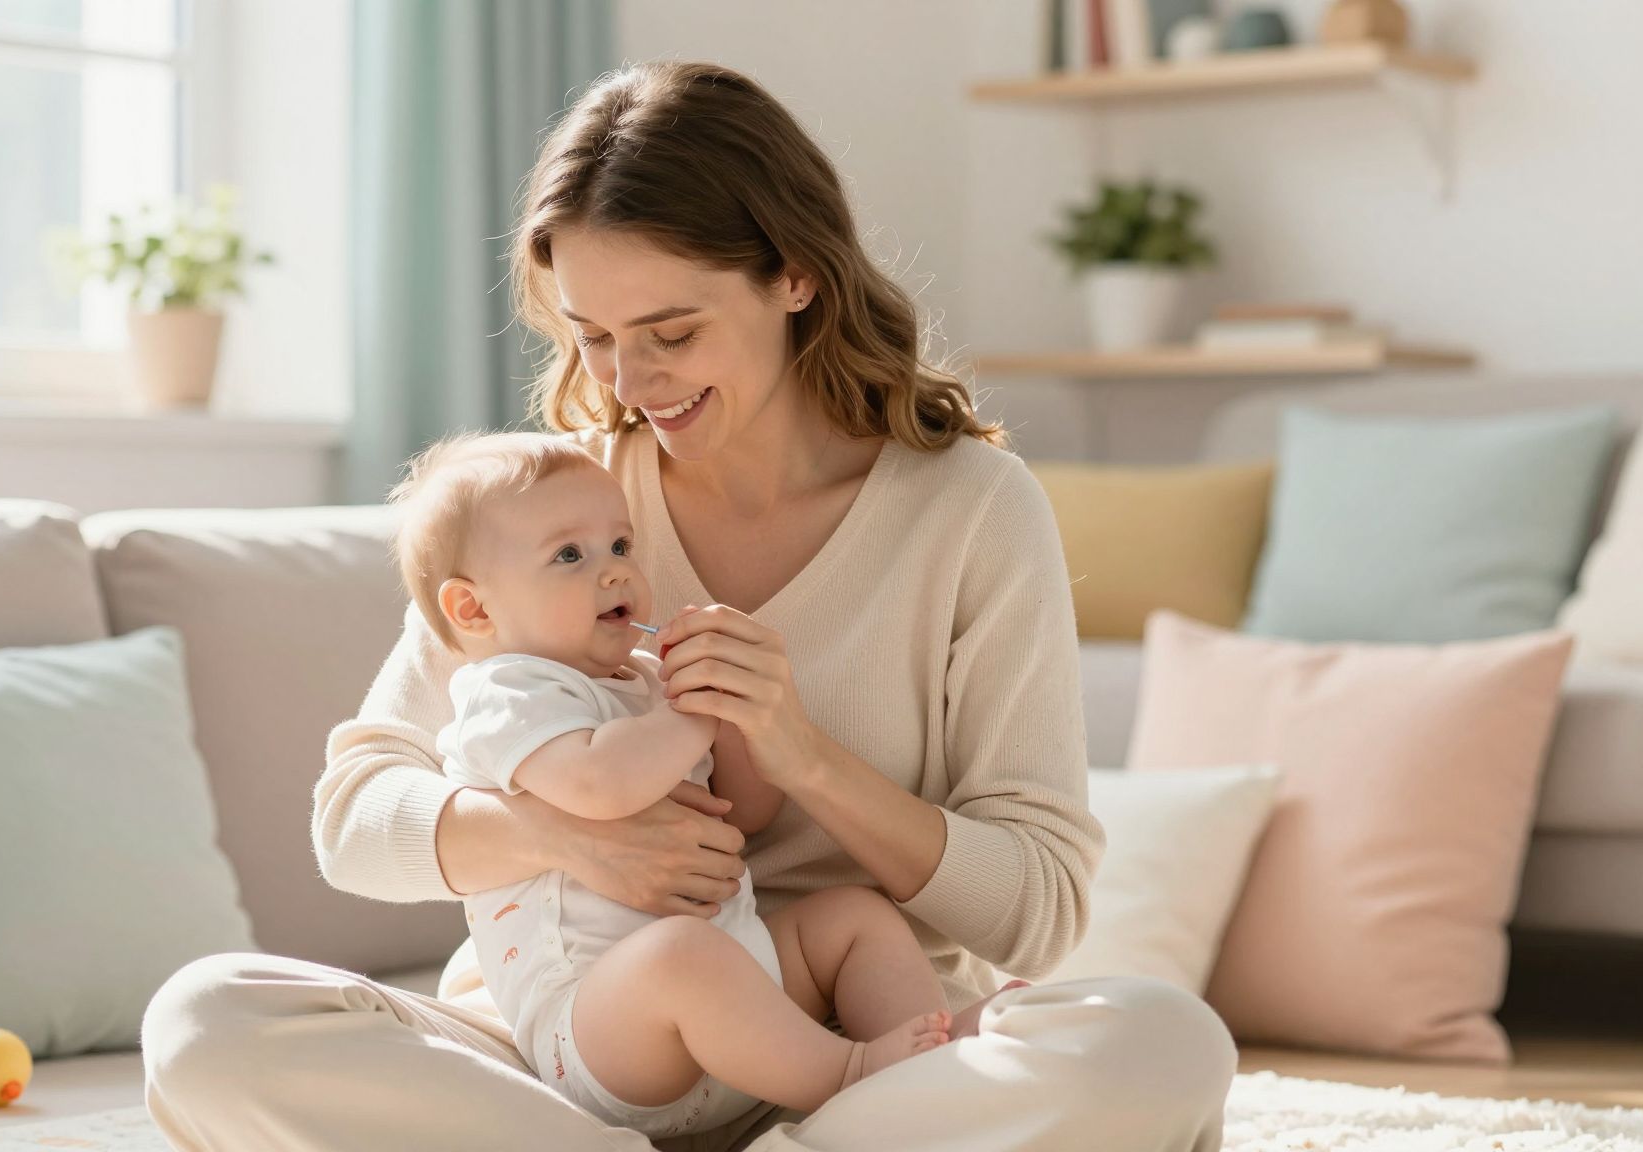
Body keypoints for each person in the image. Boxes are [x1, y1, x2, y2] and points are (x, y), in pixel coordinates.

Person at [141, 59, 1237, 1152]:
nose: (628, 382)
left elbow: (1039, 911)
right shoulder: (557, 509)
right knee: (208, 1022)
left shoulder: (970, 510)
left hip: (861, 1060)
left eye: (670, 334)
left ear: (795, 276)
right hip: (566, 1060)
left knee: (1157, 1043)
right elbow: (352, 821)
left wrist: (805, 756)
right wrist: (568, 839)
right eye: (593, 336)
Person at [390, 429, 970, 1139]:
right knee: (679, 956)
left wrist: (738, 714)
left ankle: (935, 1052)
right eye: (570, 555)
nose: (614, 573)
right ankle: (853, 1074)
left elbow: (744, 813)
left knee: (853, 918)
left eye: (621, 546)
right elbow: (602, 784)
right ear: (474, 610)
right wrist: (692, 711)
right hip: (604, 1038)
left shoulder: (644, 681)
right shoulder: (506, 691)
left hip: (743, 1001)